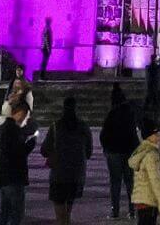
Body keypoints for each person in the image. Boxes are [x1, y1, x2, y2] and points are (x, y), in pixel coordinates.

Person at [40, 96, 92, 225]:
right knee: (67, 215)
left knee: (60, 217)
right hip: (76, 175)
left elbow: (44, 150)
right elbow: (89, 153)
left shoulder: (56, 127)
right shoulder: (83, 127)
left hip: (59, 175)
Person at [0, 97, 37, 225]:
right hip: (14, 179)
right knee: (16, 214)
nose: (26, 119)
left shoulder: (3, 129)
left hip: (3, 178)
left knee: (5, 213)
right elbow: (17, 154)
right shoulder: (13, 130)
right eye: (26, 115)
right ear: (19, 113)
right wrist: (30, 144)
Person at [100, 83, 140, 220]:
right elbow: (134, 136)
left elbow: (104, 134)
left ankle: (115, 211)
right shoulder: (130, 114)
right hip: (128, 151)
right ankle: (132, 210)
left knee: (115, 182)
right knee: (130, 182)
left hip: (114, 152)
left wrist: (106, 148)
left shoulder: (112, 114)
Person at [128, 117, 160, 225]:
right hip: (150, 200)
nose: (158, 137)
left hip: (142, 199)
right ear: (149, 136)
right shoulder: (151, 154)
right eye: (156, 134)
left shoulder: (142, 150)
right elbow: (155, 180)